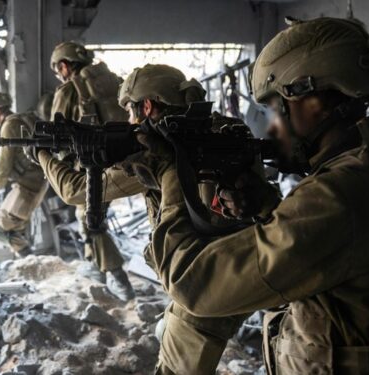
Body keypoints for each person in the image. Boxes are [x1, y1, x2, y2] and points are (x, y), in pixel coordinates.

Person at [129, 17, 369, 374]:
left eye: (276, 107)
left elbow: (196, 286)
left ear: (312, 98)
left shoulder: (338, 195)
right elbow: (359, 258)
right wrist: (268, 208)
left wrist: (170, 176)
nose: (274, 125)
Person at [30, 64, 256, 374]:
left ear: (146, 106)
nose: (128, 121)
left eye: (130, 111)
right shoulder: (223, 130)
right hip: (251, 263)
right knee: (164, 331)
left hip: (203, 280)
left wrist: (42, 154)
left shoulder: (159, 152)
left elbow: (75, 190)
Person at [43, 41, 134, 301]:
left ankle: (119, 279)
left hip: (90, 167)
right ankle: (96, 268)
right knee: (92, 219)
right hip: (122, 164)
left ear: (64, 65)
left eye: (58, 69)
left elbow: (57, 135)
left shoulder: (69, 91)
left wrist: (57, 162)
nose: (59, 73)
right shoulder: (111, 81)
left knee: (90, 223)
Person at [0, 92, 52, 258]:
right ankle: (27, 264)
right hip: (39, 183)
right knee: (17, 230)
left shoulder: (8, 126)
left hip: (27, 188)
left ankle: (33, 264)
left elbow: (3, 166)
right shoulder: (24, 118)